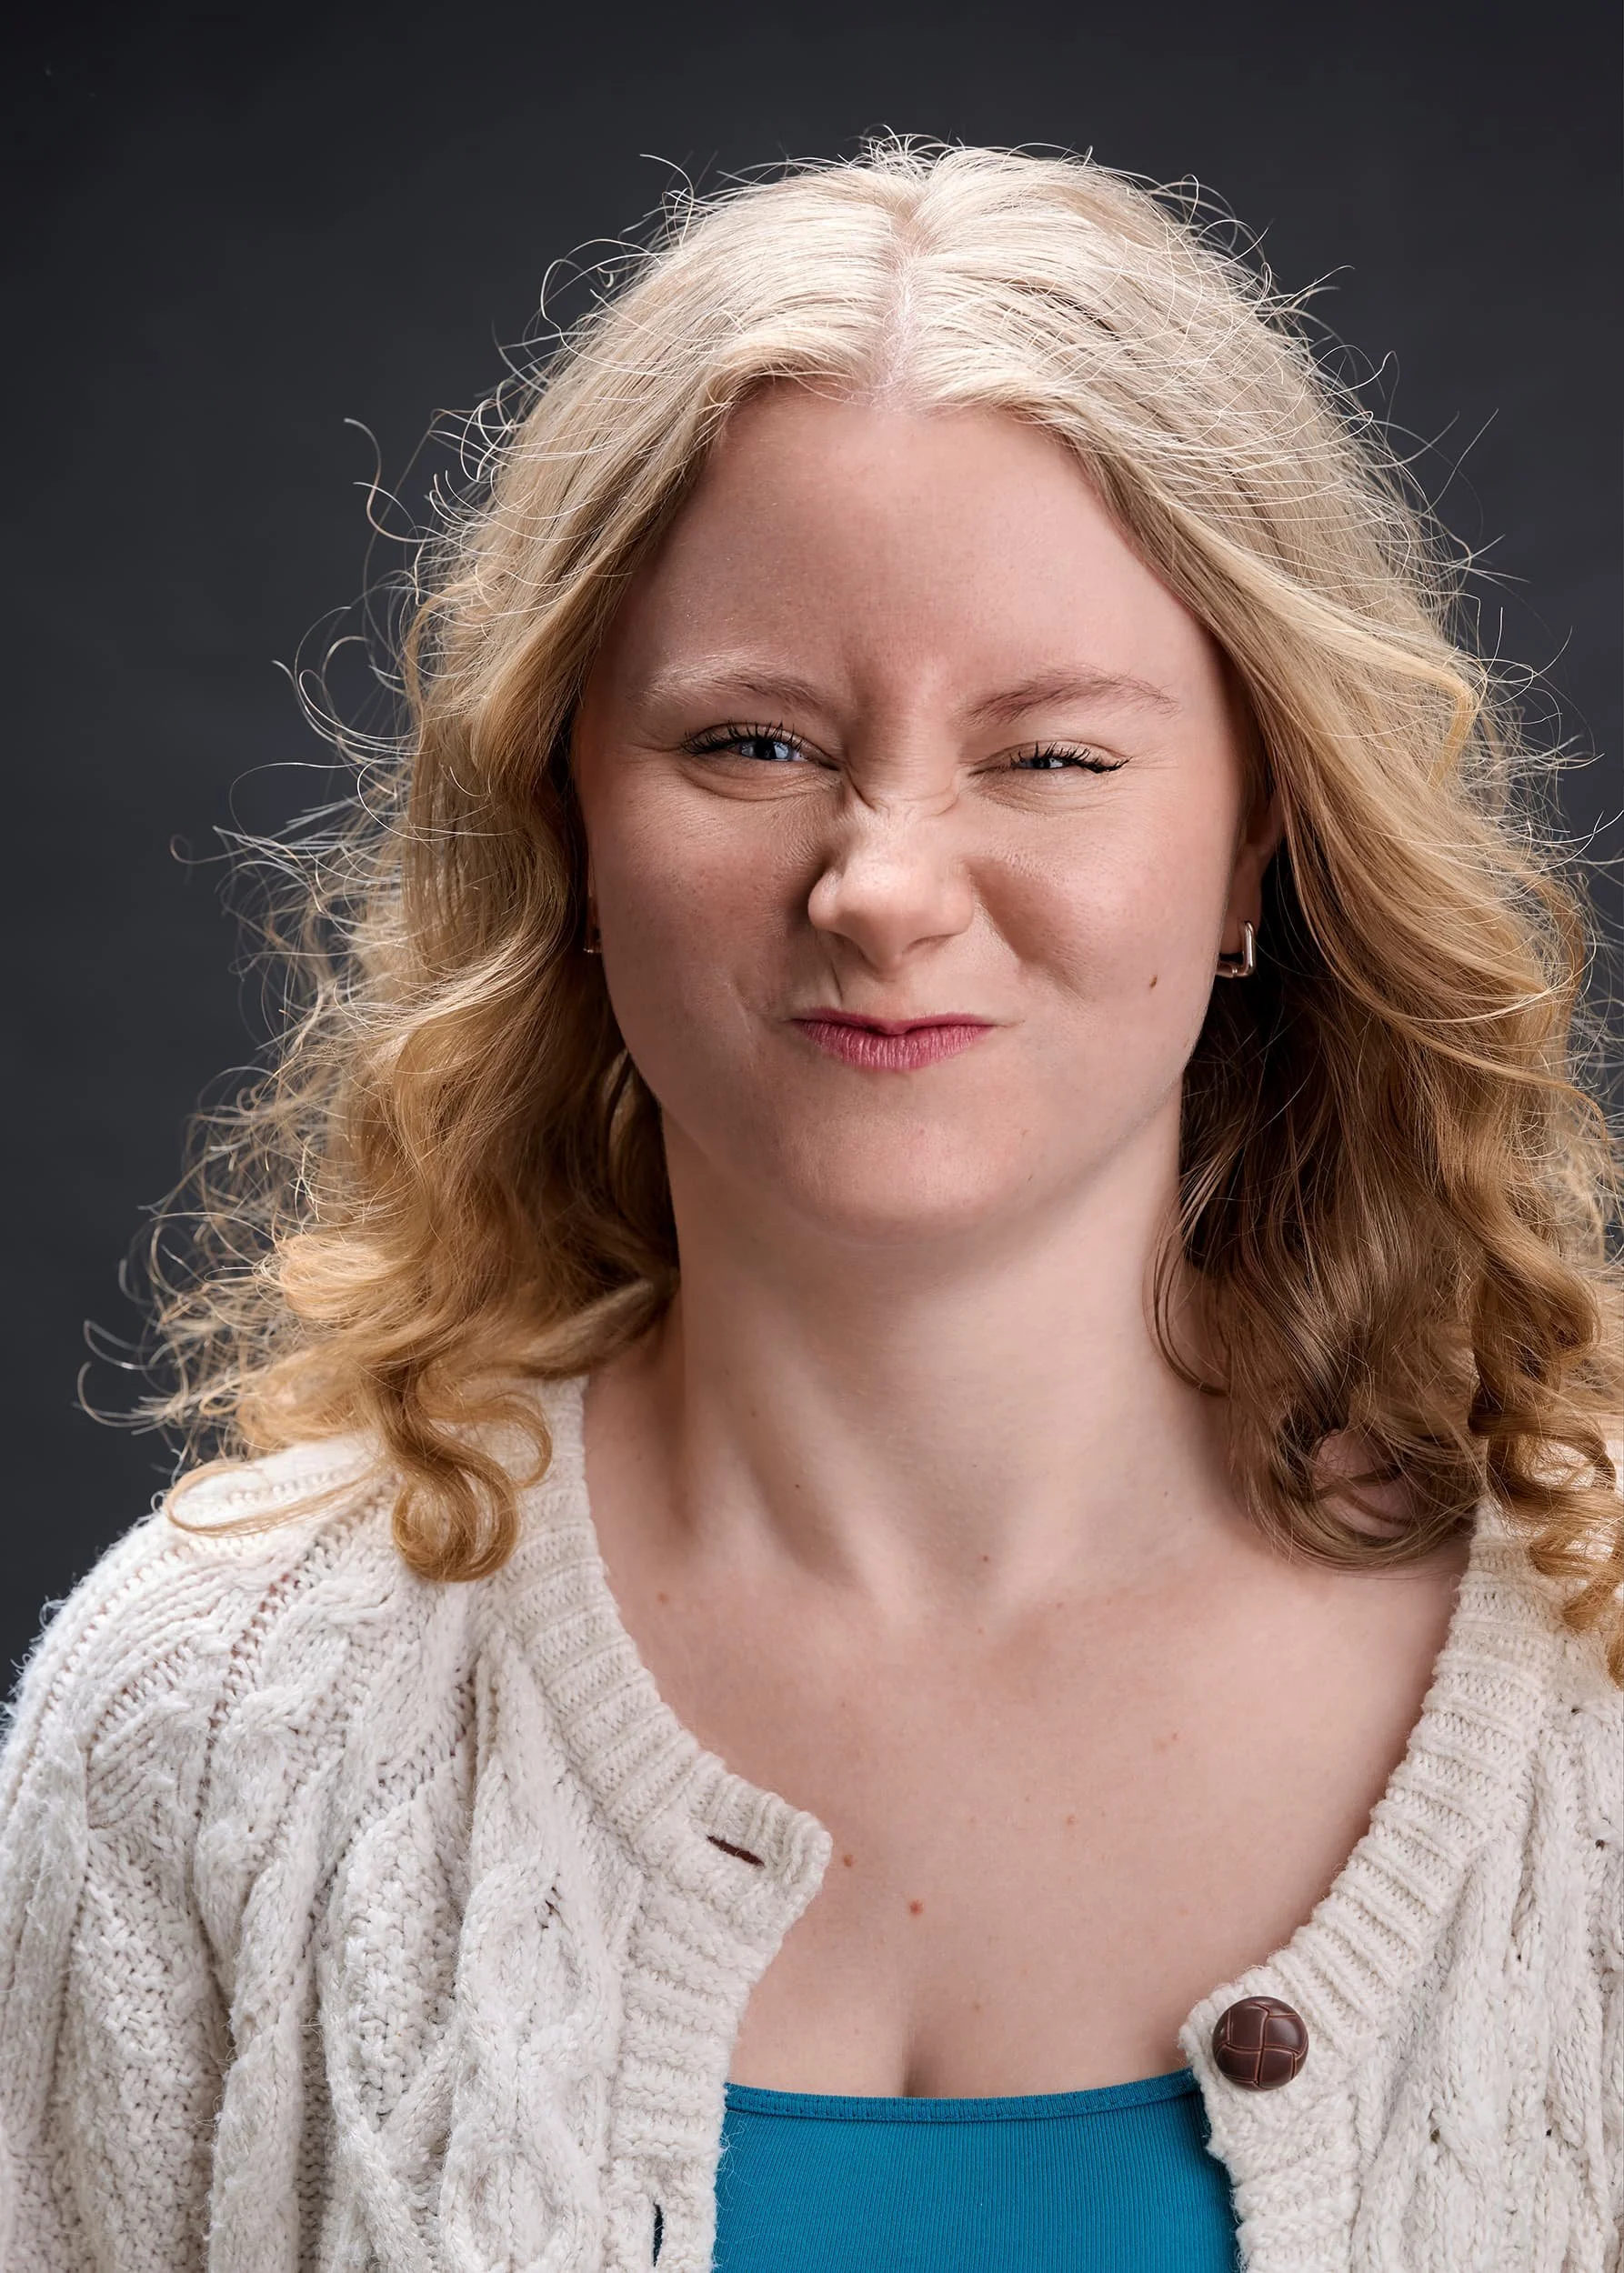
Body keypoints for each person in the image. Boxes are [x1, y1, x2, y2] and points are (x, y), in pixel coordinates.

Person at [0, 138, 1619, 2273]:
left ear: (1260, 849)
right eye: (754, 743)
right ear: (565, 813)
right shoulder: (200, 1720)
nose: (879, 884)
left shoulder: (1585, 1692)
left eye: (1051, 756)